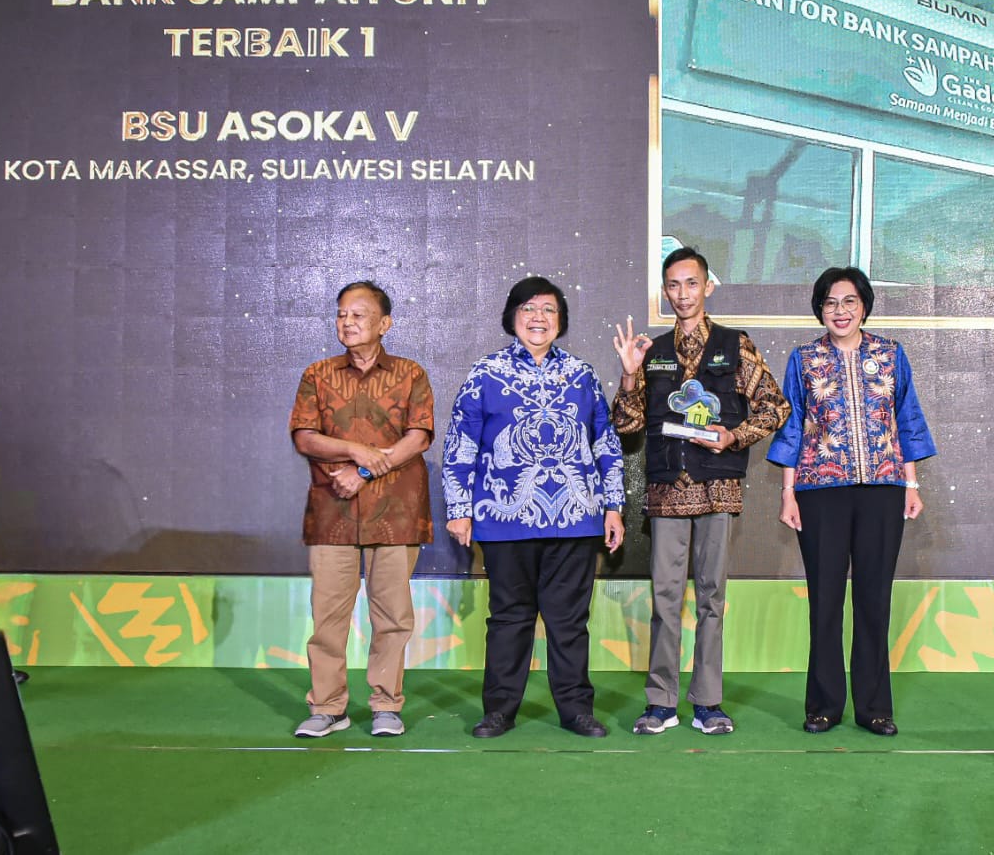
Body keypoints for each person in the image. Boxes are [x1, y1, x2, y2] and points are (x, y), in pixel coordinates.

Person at [611, 246, 789, 736]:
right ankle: (660, 703)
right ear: (664, 292)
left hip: (719, 490)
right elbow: (626, 425)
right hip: (668, 491)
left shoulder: (736, 346)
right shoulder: (653, 353)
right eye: (674, 285)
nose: (682, 293)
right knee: (666, 597)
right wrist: (630, 371)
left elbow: (776, 407)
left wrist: (736, 435)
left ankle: (708, 703)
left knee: (712, 598)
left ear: (707, 287)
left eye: (692, 283)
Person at [442, 277, 625, 738]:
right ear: (512, 317)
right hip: (505, 518)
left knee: (569, 621)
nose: (537, 317)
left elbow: (605, 443)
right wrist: (459, 506)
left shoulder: (581, 375)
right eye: (528, 308)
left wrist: (613, 506)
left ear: (560, 320)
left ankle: (576, 711)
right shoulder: (485, 373)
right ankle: (499, 710)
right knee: (509, 618)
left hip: (576, 517)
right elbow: (460, 444)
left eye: (548, 309)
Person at [766, 267, 936, 737]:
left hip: (883, 491)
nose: (839, 311)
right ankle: (822, 705)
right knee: (824, 601)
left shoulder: (890, 354)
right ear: (819, 309)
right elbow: (792, 427)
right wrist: (787, 492)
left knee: (874, 600)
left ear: (864, 305)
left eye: (848, 301)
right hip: (820, 493)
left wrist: (912, 484)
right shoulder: (803, 360)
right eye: (830, 303)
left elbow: (907, 419)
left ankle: (875, 707)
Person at [289, 281, 434, 739]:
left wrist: (368, 471)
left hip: (396, 512)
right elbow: (304, 437)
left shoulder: (411, 373)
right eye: (341, 315)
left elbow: (419, 436)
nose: (347, 323)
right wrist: (355, 450)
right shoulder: (318, 374)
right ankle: (328, 707)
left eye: (358, 315)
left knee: (392, 618)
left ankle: (386, 706)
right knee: (327, 618)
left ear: (383, 324)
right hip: (332, 514)